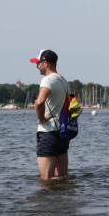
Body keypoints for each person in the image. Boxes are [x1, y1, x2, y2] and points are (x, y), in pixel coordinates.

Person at [30, 49, 71, 181]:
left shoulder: (47, 80)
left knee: (46, 180)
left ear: (46, 63)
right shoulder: (64, 81)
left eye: (38, 63)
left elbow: (39, 102)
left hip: (48, 133)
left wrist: (41, 119)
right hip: (63, 133)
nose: (36, 66)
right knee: (63, 178)